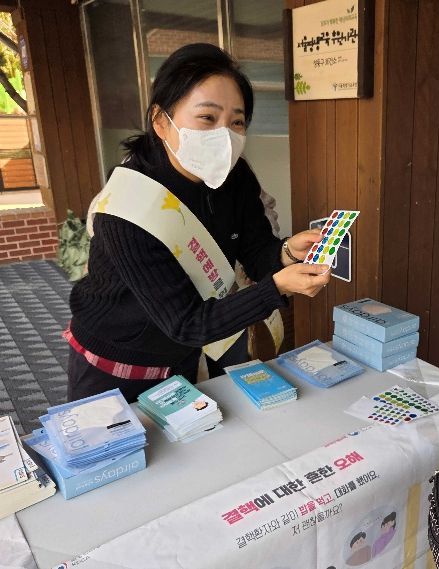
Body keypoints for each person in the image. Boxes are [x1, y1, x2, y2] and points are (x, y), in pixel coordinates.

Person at [66, 43, 330, 402]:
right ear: (161, 121)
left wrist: (286, 253)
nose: (225, 136)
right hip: (117, 360)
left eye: (237, 122)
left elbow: (256, 251)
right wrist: (277, 288)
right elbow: (186, 323)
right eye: (207, 117)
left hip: (188, 352)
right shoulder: (127, 208)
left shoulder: (236, 177)